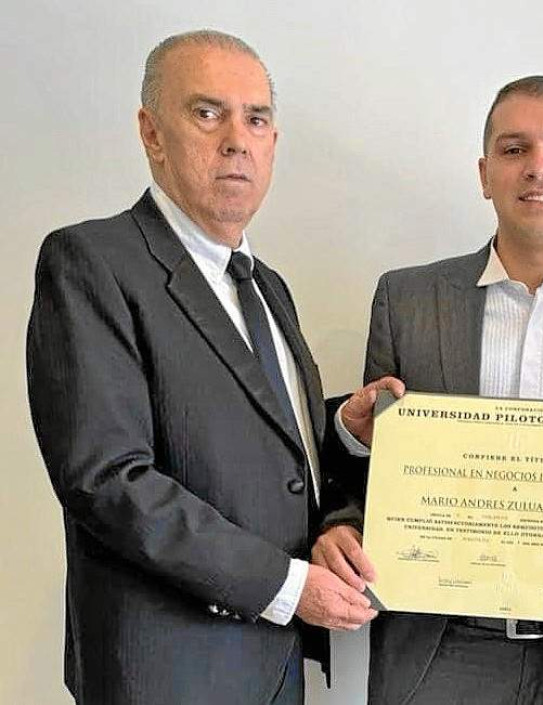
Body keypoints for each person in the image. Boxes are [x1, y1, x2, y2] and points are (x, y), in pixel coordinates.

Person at [26, 30, 397, 705]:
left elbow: (271, 456)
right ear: (151, 132)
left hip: (273, 670)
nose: (237, 138)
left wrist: (338, 431)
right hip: (166, 674)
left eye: (256, 118)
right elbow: (107, 478)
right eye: (207, 113)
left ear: (273, 144)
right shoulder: (91, 262)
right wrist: (286, 586)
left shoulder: (267, 286)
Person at [313, 76, 543, 705]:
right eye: (515, 150)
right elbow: (372, 470)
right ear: (485, 174)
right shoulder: (407, 299)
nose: (539, 167)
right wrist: (342, 523)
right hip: (435, 646)